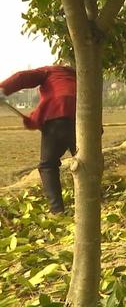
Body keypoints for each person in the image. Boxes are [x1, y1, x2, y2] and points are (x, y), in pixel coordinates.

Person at [0, 65, 77, 214]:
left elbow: (22, 77)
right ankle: (94, 198)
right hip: (83, 119)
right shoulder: (80, 77)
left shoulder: (51, 71)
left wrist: (3, 88)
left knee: (48, 165)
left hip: (58, 115)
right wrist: (34, 120)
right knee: (85, 160)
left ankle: (57, 211)